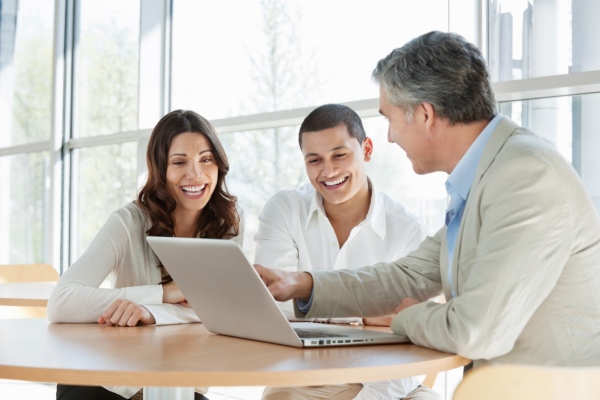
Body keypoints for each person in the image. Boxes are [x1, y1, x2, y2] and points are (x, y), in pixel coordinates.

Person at [254, 31, 600, 372]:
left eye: (389, 118)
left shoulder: (524, 176)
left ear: (424, 114)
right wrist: (302, 284)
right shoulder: (487, 175)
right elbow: (408, 274)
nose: (389, 136)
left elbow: (473, 331)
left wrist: (406, 317)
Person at [47, 110, 244, 400]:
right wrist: (164, 293)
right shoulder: (128, 221)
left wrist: (150, 313)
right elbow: (61, 302)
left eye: (206, 159)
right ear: (160, 168)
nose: (196, 174)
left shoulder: (228, 222)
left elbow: (227, 310)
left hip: (181, 383)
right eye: (179, 162)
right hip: (108, 381)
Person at [255, 103, 438, 400]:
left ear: (366, 149)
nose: (328, 171)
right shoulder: (284, 210)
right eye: (314, 160)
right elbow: (271, 308)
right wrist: (362, 318)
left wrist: (314, 309)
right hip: (303, 379)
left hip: (388, 379)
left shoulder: (408, 230)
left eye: (340, 155)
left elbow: (409, 334)